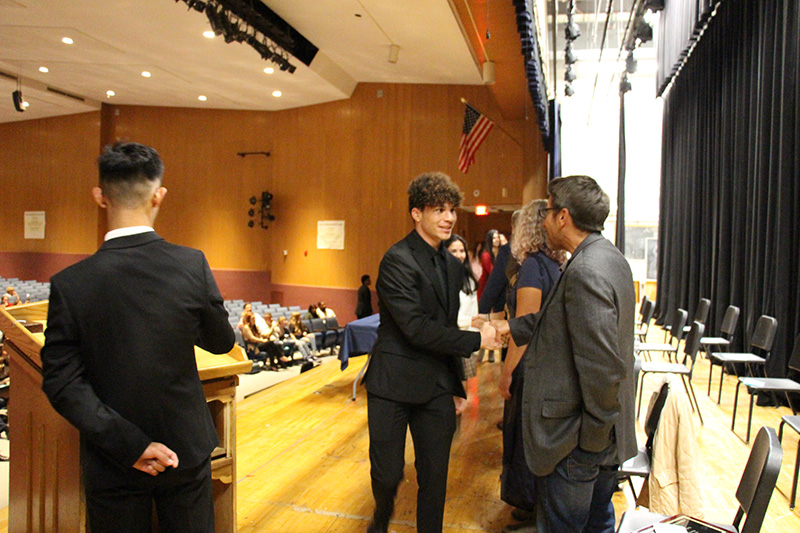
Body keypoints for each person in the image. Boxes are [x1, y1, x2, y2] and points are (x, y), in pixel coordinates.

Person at [40, 142, 236, 532]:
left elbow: (62, 381)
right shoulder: (190, 263)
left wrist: (130, 445)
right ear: (159, 195)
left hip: (112, 457)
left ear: (99, 196)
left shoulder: (71, 284)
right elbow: (221, 341)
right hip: (185, 445)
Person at [486, 175, 636, 533]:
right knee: (598, 523)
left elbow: (601, 367)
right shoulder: (605, 256)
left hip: (578, 440)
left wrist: (590, 443)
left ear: (563, 216)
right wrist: (513, 328)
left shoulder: (586, 270)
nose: (544, 219)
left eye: (548, 211)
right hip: (600, 433)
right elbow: (564, 316)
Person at [364, 172, 497, 533]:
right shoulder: (397, 260)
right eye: (439, 209)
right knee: (388, 475)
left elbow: (448, 321)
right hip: (393, 383)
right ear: (416, 213)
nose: (448, 218)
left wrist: (459, 383)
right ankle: (380, 521)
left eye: (452, 210)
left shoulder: (452, 265)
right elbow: (417, 328)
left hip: (436, 384)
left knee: (435, 478)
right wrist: (476, 341)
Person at [498, 200, 565, 529]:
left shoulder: (533, 267)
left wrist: (506, 371)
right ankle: (533, 507)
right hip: (547, 367)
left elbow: (523, 329)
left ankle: (531, 507)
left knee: (524, 439)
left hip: (530, 368)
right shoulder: (554, 264)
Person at [444, 234, 479, 415]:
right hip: (447, 337)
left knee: (462, 381)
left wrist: (473, 339)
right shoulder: (441, 278)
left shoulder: (469, 280)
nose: (459, 255)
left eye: (461, 251)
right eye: (453, 251)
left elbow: (473, 311)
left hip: (464, 337)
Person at [477, 229, 500, 299]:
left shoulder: (501, 253)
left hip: (497, 287)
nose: (497, 240)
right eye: (494, 238)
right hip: (486, 287)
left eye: (498, 237)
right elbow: (492, 272)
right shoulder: (486, 255)